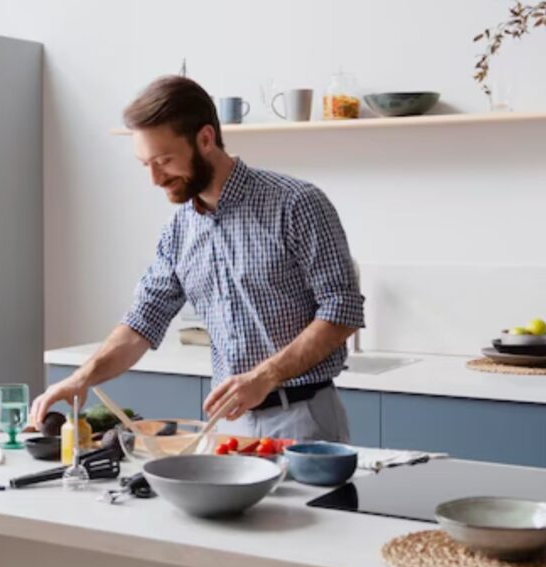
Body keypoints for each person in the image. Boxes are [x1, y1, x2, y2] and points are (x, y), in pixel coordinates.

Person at [31, 76, 365, 442]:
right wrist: (82, 378)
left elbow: (342, 309)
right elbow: (143, 321)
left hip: (304, 419)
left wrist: (264, 377)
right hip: (227, 425)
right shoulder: (179, 232)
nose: (156, 178)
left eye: (164, 160)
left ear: (205, 139)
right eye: (146, 164)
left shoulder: (295, 204)